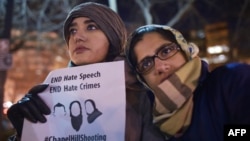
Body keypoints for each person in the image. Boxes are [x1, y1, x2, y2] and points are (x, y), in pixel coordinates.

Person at [7, 3, 166, 141]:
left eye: (91, 27)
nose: (78, 37)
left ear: (112, 36)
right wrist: (25, 130)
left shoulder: (144, 92)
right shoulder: (47, 96)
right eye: (72, 30)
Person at [125, 24, 250, 141]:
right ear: (143, 79)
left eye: (166, 51)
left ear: (185, 50)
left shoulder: (232, 81)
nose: (160, 67)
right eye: (146, 64)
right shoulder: (150, 124)